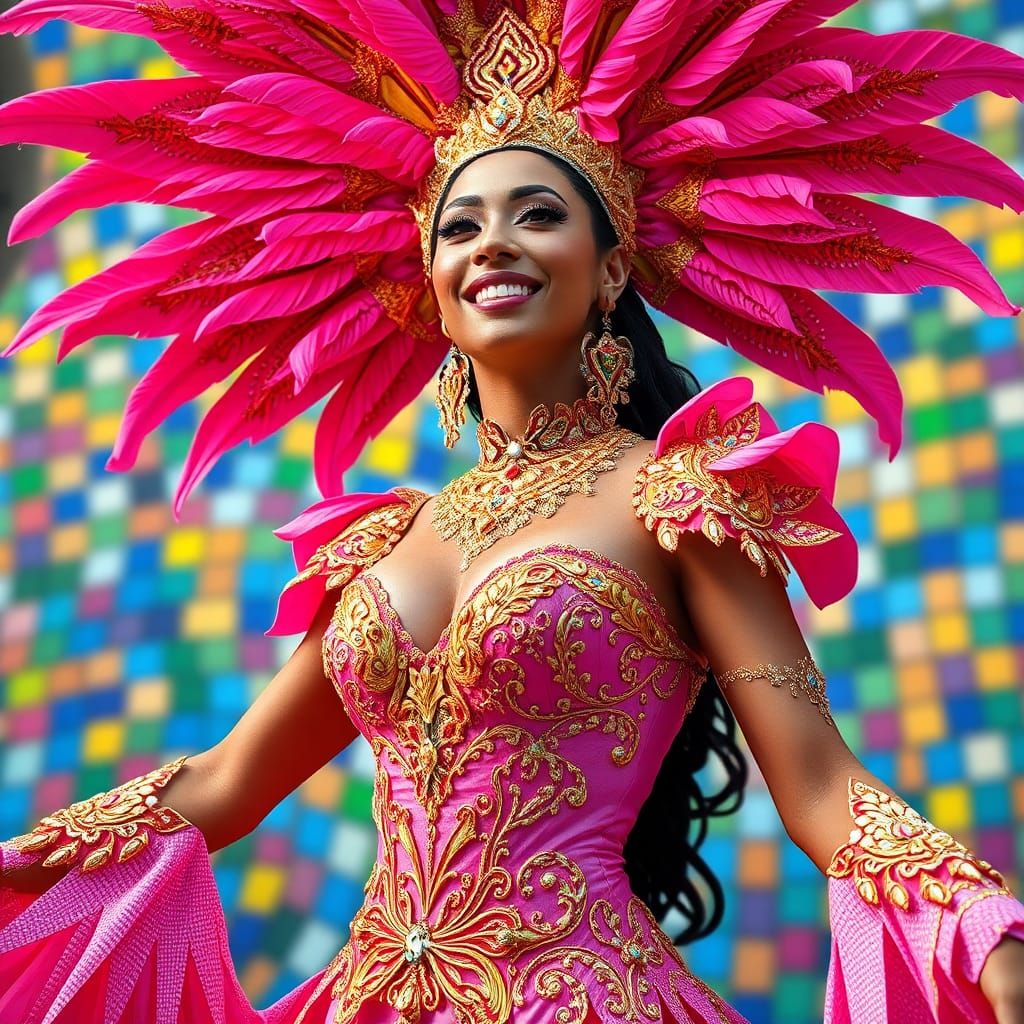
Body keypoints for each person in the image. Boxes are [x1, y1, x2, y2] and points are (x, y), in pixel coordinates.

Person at [1, 0, 1023, 1021]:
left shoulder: (685, 500)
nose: (493, 243)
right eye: (461, 224)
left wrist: (976, 923)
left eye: (536, 213)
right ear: (432, 285)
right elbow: (225, 782)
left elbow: (817, 787)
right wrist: (22, 869)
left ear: (611, 267)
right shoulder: (382, 539)